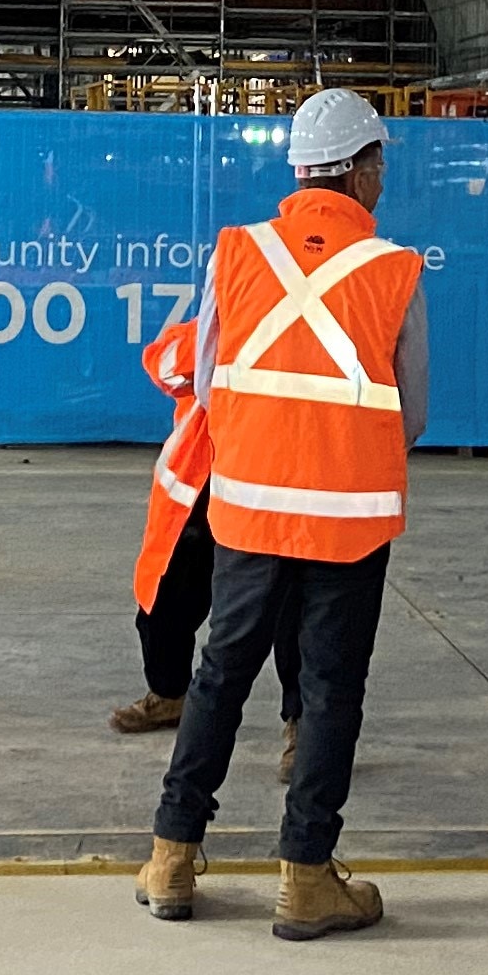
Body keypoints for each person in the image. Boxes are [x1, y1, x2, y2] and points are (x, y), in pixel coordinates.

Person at [136, 86, 427, 941]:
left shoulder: (235, 253)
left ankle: (172, 858)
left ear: (299, 171)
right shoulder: (395, 269)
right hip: (350, 517)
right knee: (330, 690)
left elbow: (209, 372)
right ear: (364, 172)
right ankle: (306, 878)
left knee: (220, 675)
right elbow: (414, 412)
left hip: (249, 510)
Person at [114, 311, 297, 755]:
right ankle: (169, 694)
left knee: (297, 615)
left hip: (286, 485)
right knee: (166, 600)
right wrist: (222, 330)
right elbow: (165, 366)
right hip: (209, 481)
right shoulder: (222, 317)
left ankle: (303, 725)